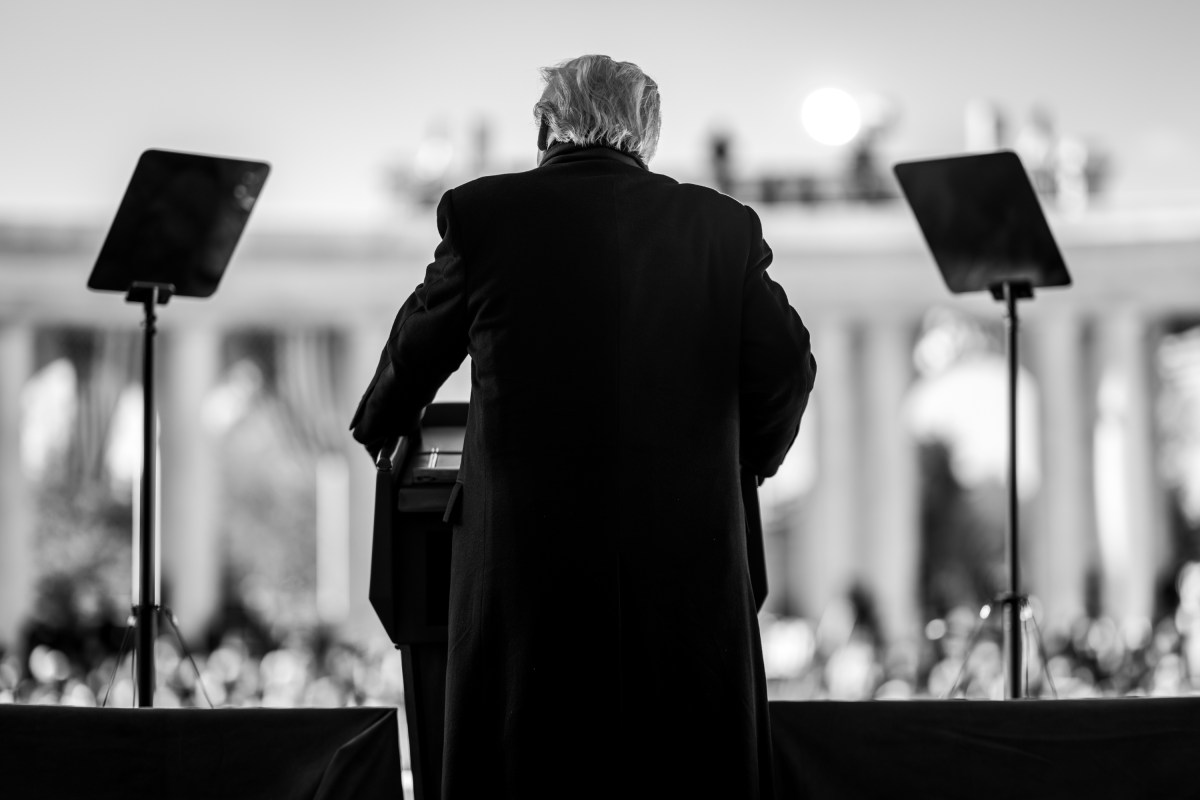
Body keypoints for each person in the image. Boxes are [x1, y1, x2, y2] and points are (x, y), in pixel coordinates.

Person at [350, 54, 816, 800]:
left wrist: (381, 424)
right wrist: (748, 462)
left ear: (543, 127)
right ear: (648, 137)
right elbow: (788, 366)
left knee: (525, 756)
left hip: (525, 565)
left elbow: (417, 348)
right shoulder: (720, 227)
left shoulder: (483, 215)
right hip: (687, 560)